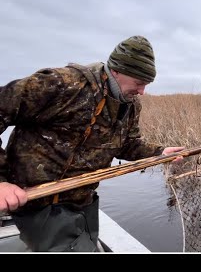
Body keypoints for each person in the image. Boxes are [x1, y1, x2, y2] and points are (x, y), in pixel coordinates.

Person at [0, 35, 184, 252]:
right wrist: (2, 182)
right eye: (139, 83)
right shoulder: (64, 84)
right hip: (41, 204)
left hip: (83, 202)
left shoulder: (130, 105)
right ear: (116, 70)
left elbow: (126, 144)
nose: (142, 92)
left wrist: (160, 152)